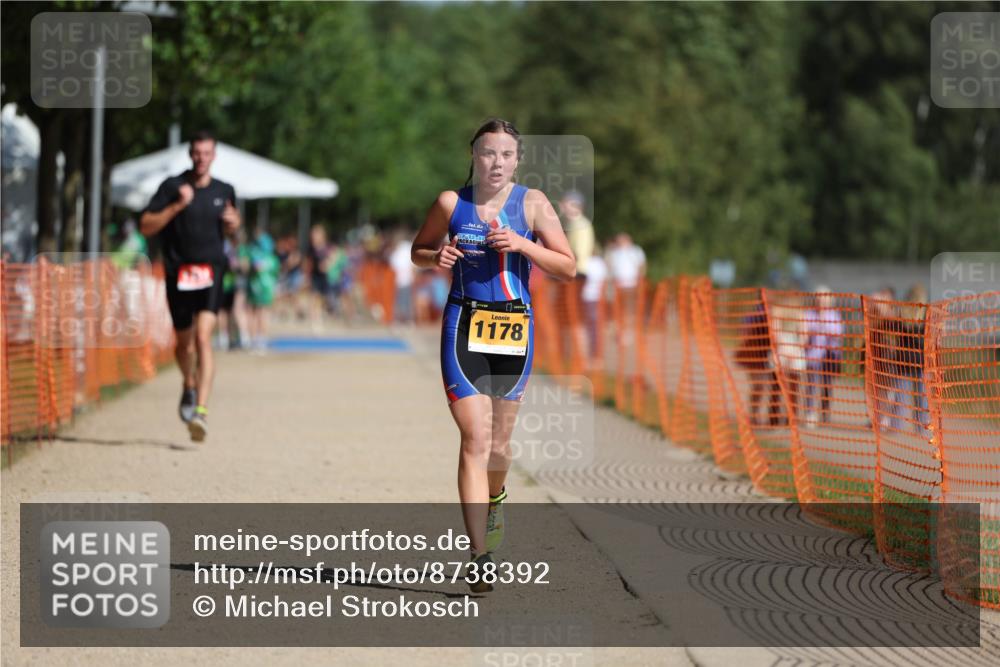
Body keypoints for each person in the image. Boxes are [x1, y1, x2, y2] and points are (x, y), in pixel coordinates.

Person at [410, 118, 575, 592]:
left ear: (517, 159)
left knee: (499, 447)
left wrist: (523, 243)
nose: (496, 163)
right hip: (463, 324)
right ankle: (480, 555)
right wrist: (434, 256)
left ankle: (496, 495)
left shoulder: (534, 204)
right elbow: (418, 250)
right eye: (487, 153)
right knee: (474, 439)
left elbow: (567, 266)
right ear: (474, 156)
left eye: (505, 154)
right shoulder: (451, 203)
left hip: (513, 331)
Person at [140, 130, 240, 442]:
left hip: (211, 272)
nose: (201, 158)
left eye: (207, 153)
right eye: (197, 153)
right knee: (183, 345)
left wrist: (234, 226)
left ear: (214, 156)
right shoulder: (172, 187)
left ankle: (201, 411)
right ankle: (188, 383)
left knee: (203, 338)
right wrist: (175, 207)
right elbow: (146, 225)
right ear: (190, 154)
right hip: (178, 274)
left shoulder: (225, 190)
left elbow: (233, 233)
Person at [803, 286, 844, 427]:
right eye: (819, 298)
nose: (821, 301)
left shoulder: (834, 315)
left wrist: (823, 325)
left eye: (823, 298)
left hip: (829, 356)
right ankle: (810, 413)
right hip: (812, 355)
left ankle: (825, 413)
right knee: (811, 385)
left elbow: (838, 333)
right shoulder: (808, 313)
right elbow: (804, 331)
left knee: (827, 386)